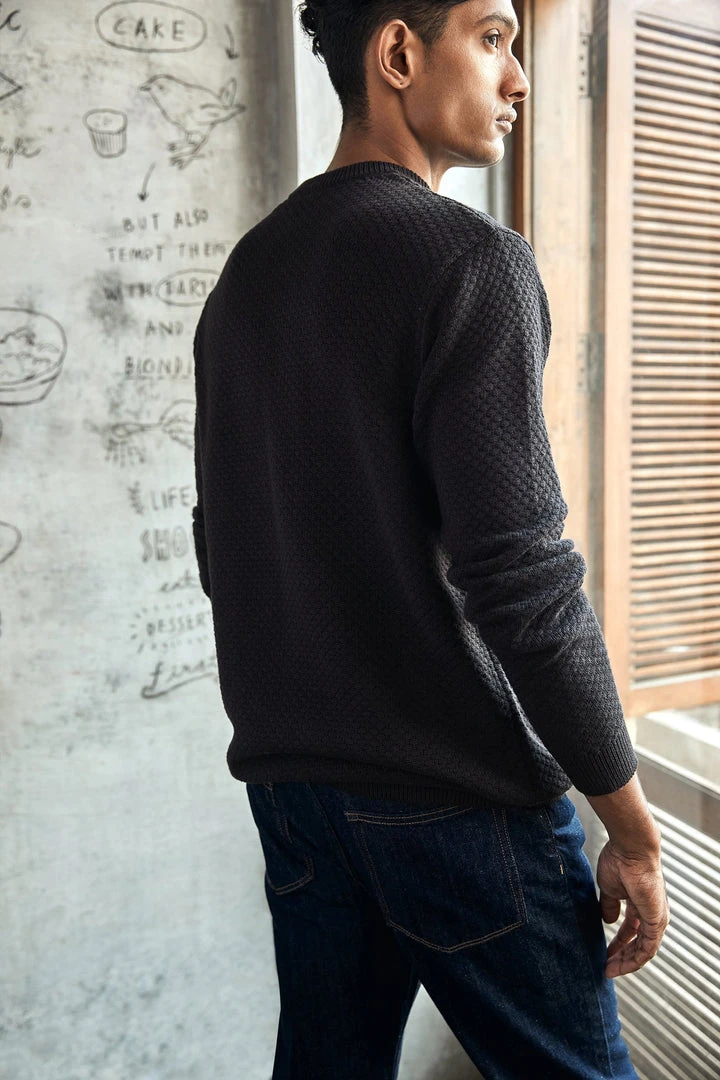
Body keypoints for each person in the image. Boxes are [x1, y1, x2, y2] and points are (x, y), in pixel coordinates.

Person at [191, 0, 670, 1075]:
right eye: (493, 38)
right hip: (458, 805)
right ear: (399, 54)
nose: (518, 78)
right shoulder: (471, 261)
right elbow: (524, 580)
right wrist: (632, 826)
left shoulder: (244, 279)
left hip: (296, 801)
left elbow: (224, 550)